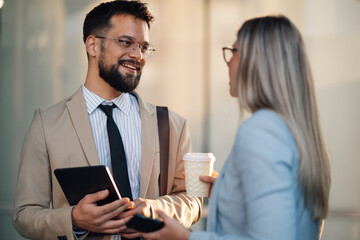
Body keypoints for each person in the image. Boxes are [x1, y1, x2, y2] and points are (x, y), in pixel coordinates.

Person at [12, 1, 202, 240]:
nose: (138, 55)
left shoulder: (172, 125)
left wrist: (156, 209)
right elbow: (24, 214)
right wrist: (73, 219)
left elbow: (192, 200)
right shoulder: (46, 124)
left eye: (144, 46)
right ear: (92, 45)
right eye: (126, 42)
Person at [141, 15, 331, 240]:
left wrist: (185, 237)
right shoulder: (294, 131)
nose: (228, 61)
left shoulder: (261, 130)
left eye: (234, 51)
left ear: (258, 61)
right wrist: (227, 191)